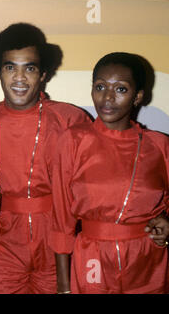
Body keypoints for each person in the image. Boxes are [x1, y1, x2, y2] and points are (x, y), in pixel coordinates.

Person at [0, 23, 92, 294]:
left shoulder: (70, 119)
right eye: (10, 67)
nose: (19, 77)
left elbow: (100, 179)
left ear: (43, 75)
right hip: (5, 243)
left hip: (58, 240)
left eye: (29, 68)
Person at [49, 52, 169, 294]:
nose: (108, 97)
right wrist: (63, 286)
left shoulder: (159, 146)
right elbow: (61, 219)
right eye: (100, 87)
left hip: (148, 262)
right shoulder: (73, 140)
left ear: (138, 97)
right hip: (93, 259)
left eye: (121, 89)